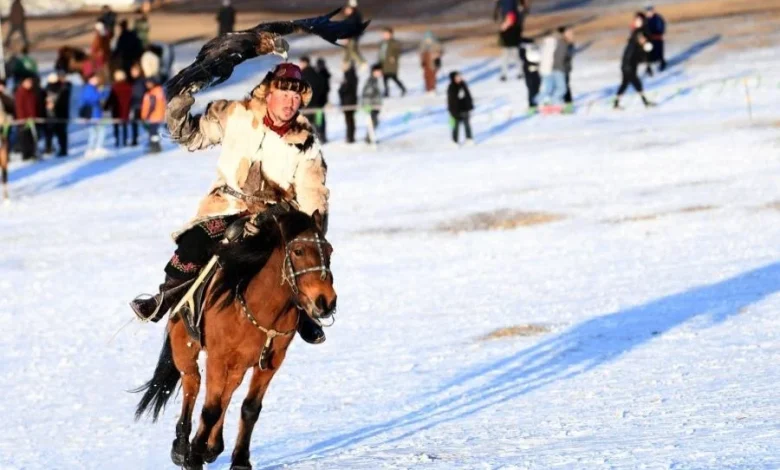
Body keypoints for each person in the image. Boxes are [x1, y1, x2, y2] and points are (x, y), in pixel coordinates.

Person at [130, 63, 330, 344]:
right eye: (283, 94)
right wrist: (178, 107)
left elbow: (313, 193)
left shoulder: (305, 141)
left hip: (275, 217)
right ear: (268, 93)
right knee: (195, 243)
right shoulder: (237, 114)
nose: (289, 102)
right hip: (227, 205)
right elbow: (192, 136)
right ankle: (165, 298)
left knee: (291, 262)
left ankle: (301, 314)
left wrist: (310, 229)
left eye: (295, 97)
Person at [614, 13, 656, 109]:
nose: (637, 22)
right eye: (636, 20)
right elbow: (642, 42)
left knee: (625, 83)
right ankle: (645, 102)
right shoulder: (638, 32)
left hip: (628, 63)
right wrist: (646, 45)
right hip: (628, 64)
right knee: (636, 83)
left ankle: (616, 103)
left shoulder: (638, 32)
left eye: (639, 20)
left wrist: (646, 61)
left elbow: (643, 46)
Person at [79, 74, 109, 158]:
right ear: (90, 79)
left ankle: (96, 147)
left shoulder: (92, 88)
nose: (96, 80)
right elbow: (93, 99)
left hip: (96, 114)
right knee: (96, 132)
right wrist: (102, 93)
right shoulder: (89, 88)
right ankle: (94, 148)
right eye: (95, 78)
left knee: (97, 131)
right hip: (92, 114)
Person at [535, 30, 567, 107]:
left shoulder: (544, 44)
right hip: (549, 69)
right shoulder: (553, 44)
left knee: (548, 88)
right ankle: (541, 101)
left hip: (545, 70)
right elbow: (554, 58)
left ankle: (541, 101)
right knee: (550, 88)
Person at [300, 56, 327, 143]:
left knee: (308, 123)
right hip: (318, 103)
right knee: (319, 122)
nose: (300, 65)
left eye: (301, 63)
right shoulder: (316, 73)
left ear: (305, 63)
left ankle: (310, 140)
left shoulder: (303, 75)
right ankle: (321, 137)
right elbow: (323, 87)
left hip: (308, 104)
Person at [43, 72, 71, 157]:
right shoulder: (47, 89)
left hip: (59, 115)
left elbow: (63, 102)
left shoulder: (63, 89)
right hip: (49, 115)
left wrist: (54, 106)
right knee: (49, 133)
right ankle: (49, 148)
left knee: (61, 133)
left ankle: (62, 149)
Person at [106, 69, 133, 148]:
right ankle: (124, 140)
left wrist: (106, 107)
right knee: (124, 125)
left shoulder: (114, 87)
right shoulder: (128, 86)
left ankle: (117, 141)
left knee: (116, 126)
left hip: (116, 109)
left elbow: (111, 98)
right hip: (126, 108)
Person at [14, 76, 38, 160]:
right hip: (23, 119)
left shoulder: (31, 92)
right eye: (28, 82)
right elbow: (19, 107)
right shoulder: (20, 93)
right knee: (25, 137)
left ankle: (32, 153)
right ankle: (26, 155)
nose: (30, 84)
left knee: (31, 136)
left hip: (31, 119)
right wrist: (22, 118)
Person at [447, 71, 474, 146]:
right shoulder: (451, 87)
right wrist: (452, 111)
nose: (459, 78)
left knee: (467, 124)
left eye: (459, 76)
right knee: (455, 126)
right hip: (456, 111)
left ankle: (469, 139)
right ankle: (454, 141)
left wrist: (470, 106)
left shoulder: (463, 85)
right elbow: (450, 101)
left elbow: (468, 96)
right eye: (457, 77)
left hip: (465, 109)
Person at [141, 76, 166, 153]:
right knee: (153, 132)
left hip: (154, 116)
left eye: (148, 83)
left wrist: (146, 115)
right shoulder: (157, 91)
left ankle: (155, 147)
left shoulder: (153, 93)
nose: (147, 85)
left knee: (153, 132)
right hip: (156, 115)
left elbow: (152, 105)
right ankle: (155, 146)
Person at [378, 27, 405, 97]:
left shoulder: (394, 42)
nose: (385, 35)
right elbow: (380, 53)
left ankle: (403, 88)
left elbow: (398, 52)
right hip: (384, 64)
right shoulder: (382, 43)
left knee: (394, 78)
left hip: (391, 64)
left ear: (391, 34)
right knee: (385, 79)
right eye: (384, 34)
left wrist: (394, 57)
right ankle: (386, 92)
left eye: (386, 34)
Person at [498, 4, 522, 81]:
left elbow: (517, 36)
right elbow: (502, 37)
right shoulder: (504, 26)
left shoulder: (516, 27)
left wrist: (507, 28)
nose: (508, 19)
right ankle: (503, 75)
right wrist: (502, 30)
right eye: (507, 18)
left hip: (514, 46)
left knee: (517, 60)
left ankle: (520, 73)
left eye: (509, 19)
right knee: (504, 61)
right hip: (506, 46)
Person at [0, 80, 15, 199]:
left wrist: (9, 118)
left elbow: (13, 109)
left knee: (4, 160)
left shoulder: (5, 98)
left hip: (3, 132)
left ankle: (5, 185)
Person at [361, 64, 382, 144]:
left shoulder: (375, 80)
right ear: (374, 71)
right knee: (373, 122)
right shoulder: (371, 81)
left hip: (375, 105)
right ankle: (369, 138)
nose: (381, 72)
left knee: (374, 122)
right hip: (371, 106)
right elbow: (367, 94)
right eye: (379, 71)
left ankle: (369, 138)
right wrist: (367, 106)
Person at [338, 62, 358, 144]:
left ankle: (350, 137)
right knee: (350, 120)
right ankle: (350, 136)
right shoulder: (351, 75)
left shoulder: (350, 76)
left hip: (348, 101)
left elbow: (346, 89)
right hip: (349, 101)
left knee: (349, 120)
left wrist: (341, 88)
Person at [520, 38, 541, 112]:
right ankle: (532, 105)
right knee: (532, 89)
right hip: (530, 73)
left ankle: (535, 105)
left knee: (534, 89)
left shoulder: (533, 49)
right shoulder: (524, 50)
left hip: (534, 72)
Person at [342, 1, 366, 67]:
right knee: (348, 49)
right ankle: (346, 63)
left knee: (352, 50)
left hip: (353, 36)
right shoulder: (352, 16)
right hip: (353, 35)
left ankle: (362, 62)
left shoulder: (354, 16)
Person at [644, 5, 667, 73]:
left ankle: (662, 63)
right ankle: (648, 67)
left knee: (659, 52)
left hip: (657, 39)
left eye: (650, 11)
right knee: (648, 53)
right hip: (648, 40)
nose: (649, 13)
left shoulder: (658, 18)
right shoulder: (645, 20)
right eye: (648, 11)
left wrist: (657, 33)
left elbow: (661, 27)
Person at [129, 63, 146, 146]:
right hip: (135, 105)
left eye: (134, 71)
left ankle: (154, 136)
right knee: (134, 123)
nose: (132, 72)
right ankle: (134, 139)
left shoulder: (140, 81)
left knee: (145, 123)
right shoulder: (133, 81)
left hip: (140, 105)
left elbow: (140, 93)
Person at [560, 26, 575, 111]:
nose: (570, 34)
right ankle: (563, 102)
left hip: (565, 68)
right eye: (568, 33)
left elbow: (568, 55)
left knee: (565, 85)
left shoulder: (570, 44)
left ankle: (568, 104)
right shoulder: (562, 42)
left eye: (571, 33)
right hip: (559, 67)